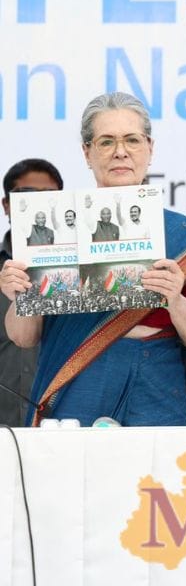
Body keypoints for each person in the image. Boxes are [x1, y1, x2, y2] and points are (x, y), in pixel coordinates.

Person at [0, 94, 186, 426]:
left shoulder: (179, 236)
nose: (120, 151)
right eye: (106, 142)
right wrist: (20, 295)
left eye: (132, 140)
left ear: (149, 148)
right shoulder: (57, 227)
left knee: (159, 464)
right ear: (87, 152)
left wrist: (174, 299)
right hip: (77, 379)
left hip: (156, 383)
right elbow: (24, 337)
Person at [0, 159, 62, 427]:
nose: (38, 204)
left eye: (48, 196)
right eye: (26, 195)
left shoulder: (79, 270)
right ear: (6, 205)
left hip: (62, 423)